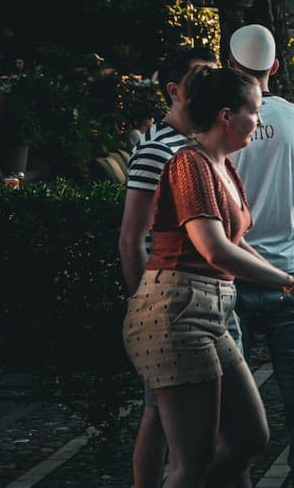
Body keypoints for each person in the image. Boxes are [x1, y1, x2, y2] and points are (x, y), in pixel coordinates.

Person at [121, 67, 294, 488]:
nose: (261, 122)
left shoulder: (224, 166)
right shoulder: (188, 164)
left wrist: (289, 276)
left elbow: (237, 242)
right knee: (193, 460)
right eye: (256, 112)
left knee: (250, 435)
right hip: (177, 311)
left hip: (211, 309)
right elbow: (214, 248)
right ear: (227, 116)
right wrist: (291, 283)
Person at [227, 25, 294, 488]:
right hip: (291, 270)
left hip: (231, 269)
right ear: (274, 67)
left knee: (233, 383)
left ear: (230, 66)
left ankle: (236, 475)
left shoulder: (220, 119)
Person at [117, 45, 219, 488]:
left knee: (167, 415)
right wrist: (145, 302)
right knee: (161, 414)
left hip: (201, 299)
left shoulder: (202, 142)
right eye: (202, 77)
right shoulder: (156, 151)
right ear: (175, 90)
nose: (212, 86)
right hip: (169, 303)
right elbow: (130, 237)